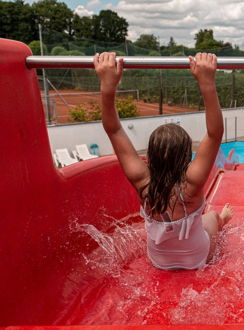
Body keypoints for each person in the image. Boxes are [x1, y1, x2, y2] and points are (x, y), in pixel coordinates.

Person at [94, 52, 233, 270]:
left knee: (203, 221)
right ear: (188, 158)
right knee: (213, 217)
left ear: (149, 157)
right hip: (197, 259)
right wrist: (207, 83)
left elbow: (114, 129)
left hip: (158, 261)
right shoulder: (191, 185)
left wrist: (107, 86)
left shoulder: (142, 182)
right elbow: (215, 134)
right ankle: (223, 219)